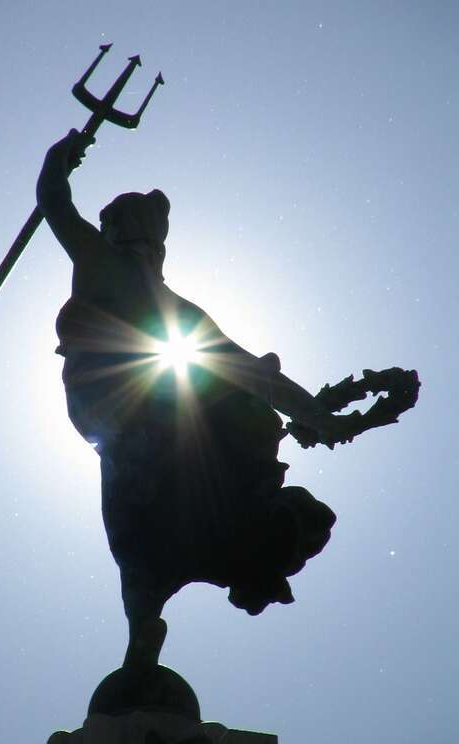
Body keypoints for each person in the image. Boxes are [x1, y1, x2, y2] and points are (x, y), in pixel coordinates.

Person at [37, 130, 355, 653]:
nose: (137, 243)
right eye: (126, 230)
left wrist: (317, 413)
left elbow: (253, 374)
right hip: (111, 403)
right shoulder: (103, 265)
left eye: (141, 234)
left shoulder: (177, 309)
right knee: (201, 414)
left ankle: (167, 603)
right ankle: (148, 618)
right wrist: (60, 159)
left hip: (148, 407)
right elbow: (53, 202)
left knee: (226, 398)